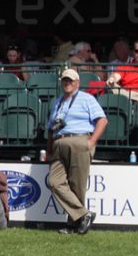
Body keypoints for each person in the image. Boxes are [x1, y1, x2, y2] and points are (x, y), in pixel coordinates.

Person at [45, 68, 107, 235]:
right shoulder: (57, 102)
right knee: (54, 182)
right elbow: (51, 129)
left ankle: (74, 224)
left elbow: (102, 120)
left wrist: (91, 141)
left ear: (77, 83)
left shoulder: (87, 99)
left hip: (80, 140)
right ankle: (84, 215)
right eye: (65, 80)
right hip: (59, 142)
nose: (67, 83)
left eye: (71, 80)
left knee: (76, 185)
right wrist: (49, 150)